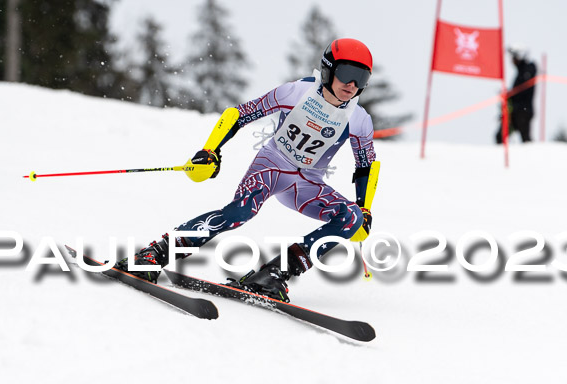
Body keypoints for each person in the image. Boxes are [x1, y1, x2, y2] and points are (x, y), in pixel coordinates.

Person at [116, 38, 378, 303]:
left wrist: (364, 206)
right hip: (273, 165)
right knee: (241, 211)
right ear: (328, 70)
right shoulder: (295, 93)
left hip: (307, 183)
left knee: (352, 217)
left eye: (361, 77)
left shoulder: (359, 120)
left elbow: (366, 164)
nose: (352, 84)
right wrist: (211, 150)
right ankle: (153, 255)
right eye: (346, 73)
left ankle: (273, 274)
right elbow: (239, 114)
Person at [496, 45, 537, 143]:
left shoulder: (529, 69)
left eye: (514, 57)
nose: (512, 60)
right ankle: (501, 156)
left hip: (523, 111)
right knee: (500, 136)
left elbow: (523, 88)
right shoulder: (520, 72)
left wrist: (510, 94)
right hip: (514, 111)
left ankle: (531, 156)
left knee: (525, 139)